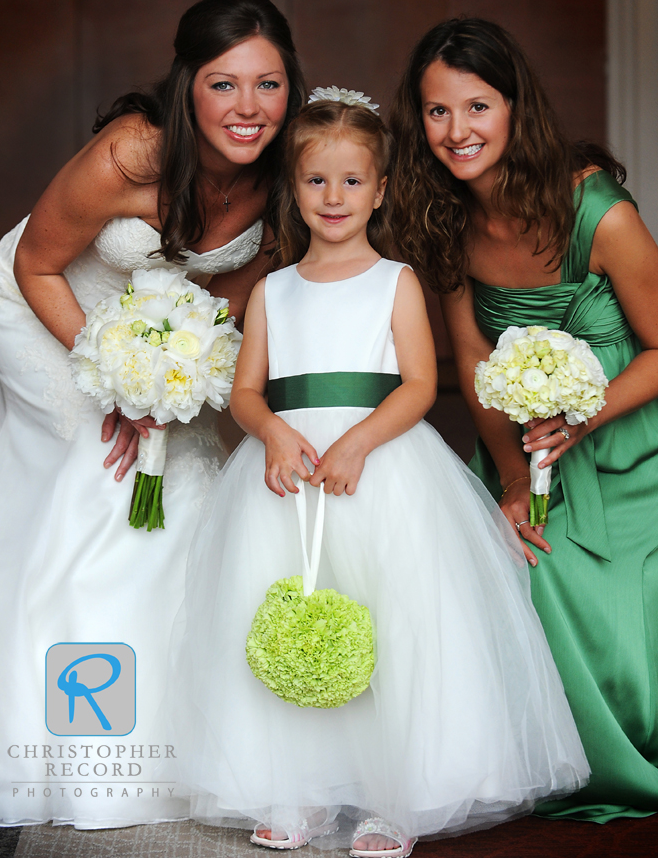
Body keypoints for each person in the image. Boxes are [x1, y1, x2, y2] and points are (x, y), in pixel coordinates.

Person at [172, 93, 589, 857]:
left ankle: (391, 799)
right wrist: (267, 433)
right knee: (288, 621)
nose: (334, 199)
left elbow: (421, 386)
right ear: (292, 190)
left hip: (379, 469)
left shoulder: (395, 281)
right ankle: (292, 789)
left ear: (383, 187)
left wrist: (360, 442)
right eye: (316, 182)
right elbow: (244, 390)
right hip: (289, 474)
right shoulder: (272, 290)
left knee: (391, 625)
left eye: (352, 182)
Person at [0, 0, 306, 828]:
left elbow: (231, 302)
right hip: (46, 307)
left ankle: (174, 738)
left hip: (165, 331)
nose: (247, 109)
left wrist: (176, 383)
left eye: (268, 85)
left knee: (187, 477)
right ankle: (65, 744)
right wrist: (120, 387)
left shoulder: (285, 181)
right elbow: (36, 265)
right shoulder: (132, 153)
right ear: (187, 86)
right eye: (223, 83)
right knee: (99, 477)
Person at [390, 16, 658, 822]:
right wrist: (508, 478)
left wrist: (584, 416)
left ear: (514, 107)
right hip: (519, 448)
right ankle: (542, 765)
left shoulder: (597, 212)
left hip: (625, 447)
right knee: (510, 569)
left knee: (602, 610)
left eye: (476, 106)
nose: (456, 131)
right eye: (436, 111)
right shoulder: (441, 217)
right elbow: (470, 359)